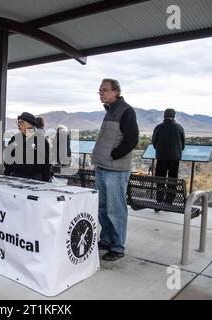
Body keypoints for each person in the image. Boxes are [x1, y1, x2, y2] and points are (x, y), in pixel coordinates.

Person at [91, 79, 139, 261]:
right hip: (103, 167)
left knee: (115, 209)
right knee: (103, 207)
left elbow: (132, 140)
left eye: (104, 90)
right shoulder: (110, 111)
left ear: (116, 91)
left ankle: (118, 247)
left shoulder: (126, 111)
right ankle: (107, 239)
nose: (101, 93)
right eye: (99, 91)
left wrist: (113, 155)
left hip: (115, 169)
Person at [4, 112, 51, 182]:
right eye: (18, 122)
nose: (18, 124)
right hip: (16, 177)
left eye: (21, 122)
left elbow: (46, 164)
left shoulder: (41, 140)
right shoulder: (15, 139)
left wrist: (46, 181)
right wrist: (7, 175)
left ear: (30, 124)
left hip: (35, 180)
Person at [152, 108, 185, 204]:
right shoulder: (179, 127)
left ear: (164, 116)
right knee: (172, 179)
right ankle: (169, 200)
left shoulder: (158, 127)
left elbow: (154, 142)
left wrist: (160, 151)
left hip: (161, 157)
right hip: (174, 158)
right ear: (174, 116)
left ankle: (159, 198)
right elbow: (182, 145)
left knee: (160, 179)